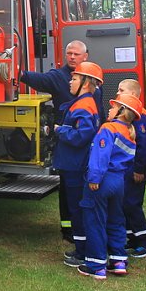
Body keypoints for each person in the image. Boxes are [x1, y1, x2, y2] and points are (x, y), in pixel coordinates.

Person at [20, 40, 105, 243]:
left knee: (80, 189)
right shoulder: (59, 76)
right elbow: (40, 80)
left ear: (85, 56)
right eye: (69, 53)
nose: (72, 57)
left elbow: (98, 116)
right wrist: (20, 74)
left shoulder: (92, 86)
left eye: (76, 54)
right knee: (67, 188)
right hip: (68, 144)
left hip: (79, 142)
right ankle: (68, 228)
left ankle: (80, 231)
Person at [78, 93, 141, 280]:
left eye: (114, 106)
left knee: (95, 220)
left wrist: (94, 178)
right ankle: (118, 260)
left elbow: (100, 156)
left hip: (103, 180)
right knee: (116, 220)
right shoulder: (130, 133)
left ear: (122, 111)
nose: (110, 108)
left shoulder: (108, 128)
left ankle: (96, 265)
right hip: (118, 181)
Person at [53, 61, 103, 268]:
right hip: (74, 164)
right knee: (77, 208)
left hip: (75, 166)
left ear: (85, 82)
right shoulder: (83, 102)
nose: (70, 81)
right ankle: (82, 249)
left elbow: (82, 136)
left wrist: (59, 130)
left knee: (77, 209)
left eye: (74, 78)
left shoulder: (83, 105)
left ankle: (82, 252)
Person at [113, 79, 146, 258]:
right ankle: (133, 238)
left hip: (135, 170)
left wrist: (140, 169)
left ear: (133, 95)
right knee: (125, 203)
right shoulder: (129, 113)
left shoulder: (140, 116)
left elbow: (144, 146)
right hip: (127, 169)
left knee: (132, 204)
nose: (117, 93)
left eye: (121, 90)